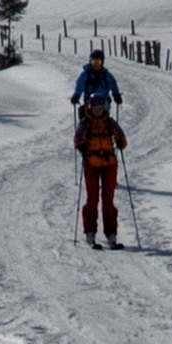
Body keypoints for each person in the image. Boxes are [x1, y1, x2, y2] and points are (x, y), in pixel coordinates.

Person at [69, 74, 127, 249]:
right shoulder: (85, 124)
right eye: (94, 107)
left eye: (100, 106)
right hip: (91, 165)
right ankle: (90, 232)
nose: (97, 110)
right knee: (92, 199)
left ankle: (111, 233)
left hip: (109, 164)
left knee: (108, 200)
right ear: (89, 107)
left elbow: (122, 138)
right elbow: (77, 140)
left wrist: (120, 143)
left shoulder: (110, 123)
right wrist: (83, 149)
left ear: (105, 107)